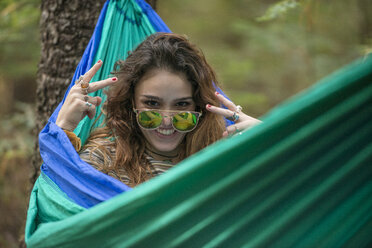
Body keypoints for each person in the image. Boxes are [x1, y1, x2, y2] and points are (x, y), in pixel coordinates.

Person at [56, 33, 261, 187]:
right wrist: (64, 129)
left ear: (198, 107)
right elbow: (63, 208)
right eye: (152, 105)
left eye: (182, 106)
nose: (166, 121)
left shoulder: (222, 158)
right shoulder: (102, 159)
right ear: (132, 103)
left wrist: (267, 142)